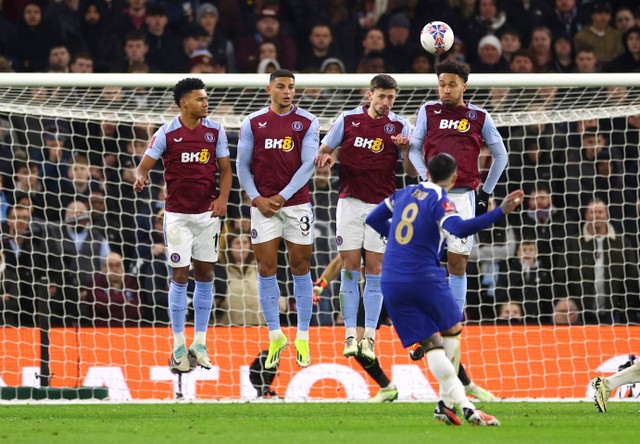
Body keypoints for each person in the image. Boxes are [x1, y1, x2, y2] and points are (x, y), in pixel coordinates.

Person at [366, 153, 523, 425]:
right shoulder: (441, 200)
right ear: (453, 177)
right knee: (452, 331)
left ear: (426, 172)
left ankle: (451, 406)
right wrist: (500, 211)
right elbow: (460, 229)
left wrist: (401, 237)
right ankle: (454, 403)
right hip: (423, 277)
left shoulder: (404, 193)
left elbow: (373, 219)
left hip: (390, 281)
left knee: (430, 344)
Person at [407, 58, 507, 401]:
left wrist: (487, 193)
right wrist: (424, 176)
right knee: (419, 262)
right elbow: (413, 148)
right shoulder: (428, 111)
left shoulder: (479, 117)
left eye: (451, 84)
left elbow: (501, 155)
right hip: (432, 195)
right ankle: (425, 328)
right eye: (441, 84)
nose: (445, 90)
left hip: (464, 196)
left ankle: (450, 324)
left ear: (465, 85)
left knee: (458, 264)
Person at [133, 77, 232, 373]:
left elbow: (226, 170)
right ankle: (178, 344)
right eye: (200, 99)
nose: (206, 103)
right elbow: (143, 166)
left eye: (206, 98)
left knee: (205, 273)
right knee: (179, 275)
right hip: (177, 216)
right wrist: (140, 177)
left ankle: (199, 343)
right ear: (184, 103)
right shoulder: (166, 133)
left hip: (208, 215)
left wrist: (223, 199)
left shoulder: (215, 131)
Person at [315, 74, 412, 363]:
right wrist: (327, 158)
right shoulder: (347, 120)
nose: (385, 102)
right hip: (350, 202)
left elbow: (413, 172)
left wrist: (405, 149)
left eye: (391, 98)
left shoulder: (401, 126)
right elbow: (323, 151)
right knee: (348, 267)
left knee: (375, 270)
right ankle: (349, 334)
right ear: (370, 95)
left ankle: (369, 336)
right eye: (381, 96)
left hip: (383, 206)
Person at [236, 69, 319, 369]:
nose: (287, 91)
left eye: (292, 87)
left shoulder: (307, 121)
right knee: (265, 267)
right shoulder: (253, 122)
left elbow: (309, 164)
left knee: (301, 266)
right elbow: (242, 165)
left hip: (296, 205)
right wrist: (256, 198)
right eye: (281, 86)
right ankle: (275, 335)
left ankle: (303, 336)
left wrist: (283, 196)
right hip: (263, 205)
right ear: (269, 88)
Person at [313, 253, 398, 403]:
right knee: (356, 344)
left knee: (427, 339)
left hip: (402, 288)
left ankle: (452, 382)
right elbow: (341, 261)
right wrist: (320, 284)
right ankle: (387, 387)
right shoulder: (361, 234)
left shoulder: (395, 233)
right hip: (375, 292)